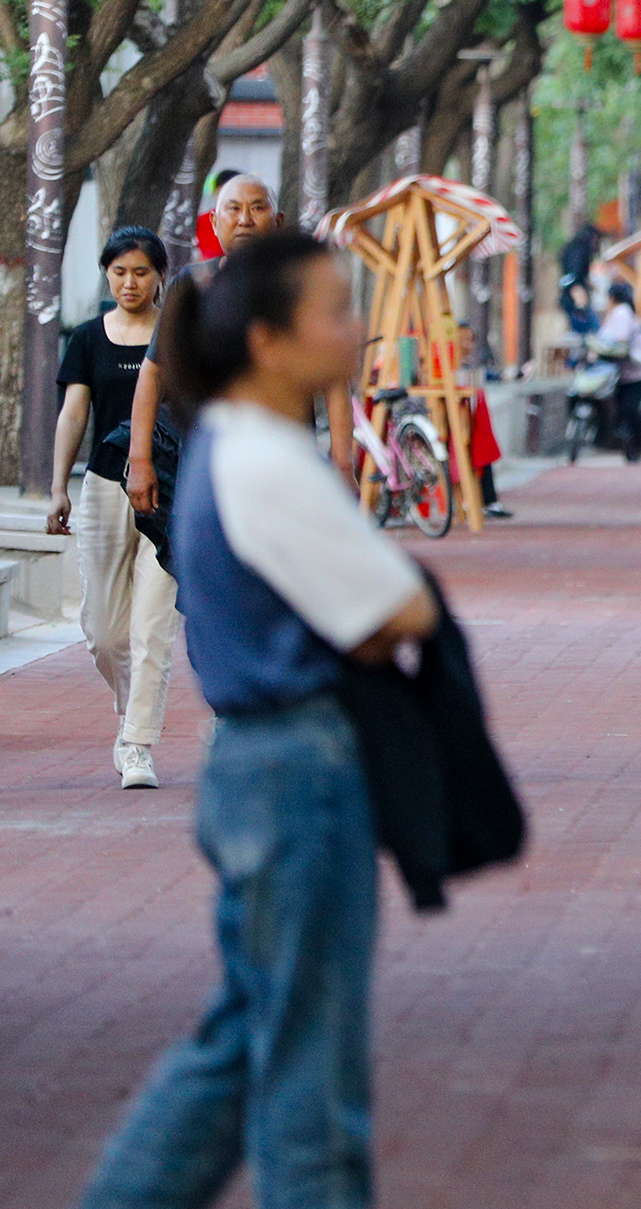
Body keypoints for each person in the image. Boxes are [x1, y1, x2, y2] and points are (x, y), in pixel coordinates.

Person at [75, 233, 438, 1209]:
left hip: (267, 764)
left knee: (245, 1040)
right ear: (270, 339)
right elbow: (399, 608)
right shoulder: (264, 457)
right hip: (296, 771)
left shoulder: (237, 446)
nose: (355, 331)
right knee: (310, 1067)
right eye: (335, 310)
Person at [126, 174, 354, 514]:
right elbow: (153, 374)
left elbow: (334, 382)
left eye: (258, 208)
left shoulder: (299, 286)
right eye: (233, 209)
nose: (245, 219)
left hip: (288, 462)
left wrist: (343, 465)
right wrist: (139, 459)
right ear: (214, 222)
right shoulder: (192, 286)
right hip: (209, 464)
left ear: (278, 222)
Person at [47, 226, 176, 789]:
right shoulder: (87, 337)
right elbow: (74, 413)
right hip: (104, 485)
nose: (130, 282)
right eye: (120, 272)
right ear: (107, 275)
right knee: (103, 631)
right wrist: (58, 487)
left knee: (152, 625)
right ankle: (131, 711)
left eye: (141, 272)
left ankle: (138, 742)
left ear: (160, 277)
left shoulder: (176, 336)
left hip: (168, 490)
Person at [591, 280, 641, 463]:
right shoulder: (618, 314)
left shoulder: (622, 313)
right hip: (626, 373)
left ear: (611, 298)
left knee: (629, 408)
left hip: (637, 373)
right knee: (622, 409)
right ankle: (631, 442)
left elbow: (618, 341)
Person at [557, 211, 604, 335]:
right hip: (576, 301)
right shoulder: (579, 250)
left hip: (573, 297)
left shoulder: (576, 248)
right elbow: (574, 276)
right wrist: (579, 296)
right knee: (588, 331)